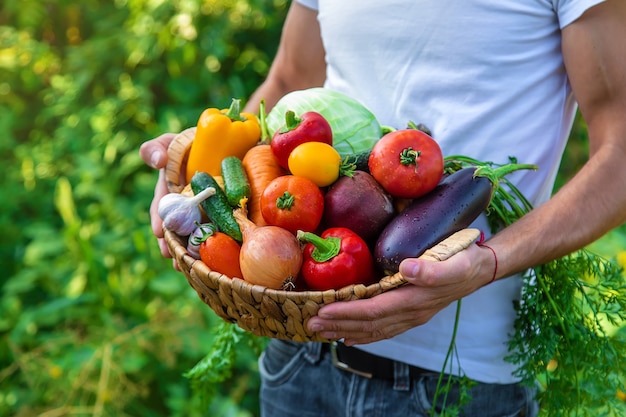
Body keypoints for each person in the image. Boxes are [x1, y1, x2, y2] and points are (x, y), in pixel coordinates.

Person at [140, 1, 626, 415]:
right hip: (300, 350)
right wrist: (194, 173)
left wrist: (489, 262)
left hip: (458, 380)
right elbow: (290, 76)